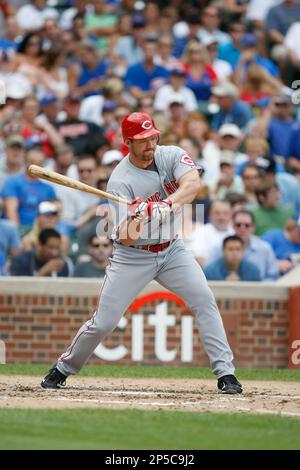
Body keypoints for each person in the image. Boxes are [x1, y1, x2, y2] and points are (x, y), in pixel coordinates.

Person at [41, 111, 242, 395]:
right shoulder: (119, 181)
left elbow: (193, 184)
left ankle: (226, 374)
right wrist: (141, 216)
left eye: (152, 137)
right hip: (133, 257)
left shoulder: (170, 154)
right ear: (128, 143)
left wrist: (165, 206)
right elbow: (124, 235)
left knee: (204, 299)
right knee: (104, 323)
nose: (150, 144)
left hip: (173, 250)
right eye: (142, 140)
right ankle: (63, 368)